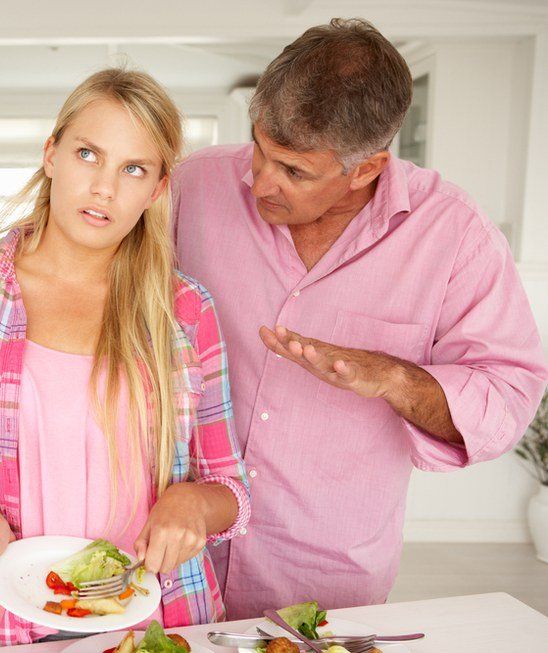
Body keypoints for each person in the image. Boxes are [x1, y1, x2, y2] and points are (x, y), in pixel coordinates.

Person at [172, 17, 548, 619]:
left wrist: (394, 379)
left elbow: (507, 396)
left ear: (367, 168)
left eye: (294, 171)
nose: (259, 181)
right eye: (260, 148)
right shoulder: (193, 185)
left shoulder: (453, 234)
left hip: (325, 572)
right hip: (176, 554)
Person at [0, 68, 251, 649]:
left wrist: (193, 501)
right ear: (52, 154)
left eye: (133, 169)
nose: (105, 187)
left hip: (162, 615)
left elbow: (229, 489)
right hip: (9, 612)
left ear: (157, 189)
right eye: (89, 153)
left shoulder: (186, 311)